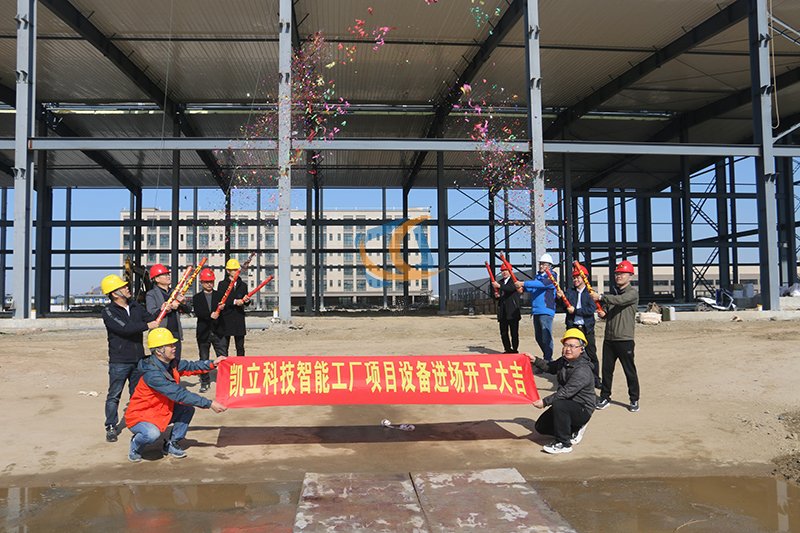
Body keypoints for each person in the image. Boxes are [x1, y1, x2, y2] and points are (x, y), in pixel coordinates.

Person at [126, 328, 227, 462]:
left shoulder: (171, 363)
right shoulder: (152, 374)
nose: (174, 347)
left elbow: (190, 366)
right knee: (152, 434)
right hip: (141, 416)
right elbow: (179, 394)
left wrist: (212, 364)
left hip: (162, 410)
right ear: (159, 351)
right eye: (170, 345)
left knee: (187, 409)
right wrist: (209, 403)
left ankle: (171, 443)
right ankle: (136, 445)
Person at [100, 274, 159, 443]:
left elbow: (152, 318)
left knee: (137, 394)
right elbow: (125, 328)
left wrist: (166, 308)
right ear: (114, 293)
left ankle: (138, 422)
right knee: (114, 395)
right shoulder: (108, 312)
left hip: (138, 358)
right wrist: (147, 326)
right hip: (119, 360)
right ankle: (111, 426)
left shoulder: (135, 306)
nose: (127, 288)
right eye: (123, 287)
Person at [531, 328, 596, 454]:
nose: (568, 349)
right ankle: (573, 429)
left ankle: (564, 443)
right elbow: (550, 367)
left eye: (572, 346)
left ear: (581, 349)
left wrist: (545, 402)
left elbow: (566, 392)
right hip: (566, 404)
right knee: (541, 427)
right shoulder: (564, 361)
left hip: (582, 408)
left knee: (559, 404)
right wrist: (535, 360)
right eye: (565, 345)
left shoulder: (582, 370)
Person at [591, 260, 640, 412]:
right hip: (609, 339)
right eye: (617, 273)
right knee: (606, 371)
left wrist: (600, 297)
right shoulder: (613, 295)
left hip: (624, 339)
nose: (619, 276)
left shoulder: (632, 293)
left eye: (623, 273)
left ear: (630, 276)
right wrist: (603, 313)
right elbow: (608, 311)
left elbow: (620, 301)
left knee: (629, 371)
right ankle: (605, 397)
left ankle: (634, 399)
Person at [564, 263, 602, 389]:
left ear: (584, 278)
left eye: (578, 277)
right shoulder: (570, 292)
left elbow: (590, 310)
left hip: (586, 328)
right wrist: (559, 298)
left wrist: (575, 311)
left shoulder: (590, 293)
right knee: (571, 353)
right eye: (574, 278)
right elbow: (563, 306)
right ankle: (569, 378)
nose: (575, 280)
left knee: (591, 354)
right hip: (573, 327)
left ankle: (596, 379)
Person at [516, 253, 557, 361]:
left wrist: (523, 283)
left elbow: (541, 285)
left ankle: (548, 359)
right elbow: (533, 288)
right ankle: (546, 357)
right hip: (536, 311)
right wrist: (523, 289)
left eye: (544, 264)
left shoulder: (552, 277)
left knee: (546, 336)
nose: (541, 266)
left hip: (546, 310)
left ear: (549, 266)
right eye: (540, 264)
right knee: (538, 337)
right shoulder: (537, 277)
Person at [192, 268, 227, 393]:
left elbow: (227, 311)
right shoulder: (197, 297)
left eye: (211, 281)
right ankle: (205, 381)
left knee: (222, 357)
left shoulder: (220, 296)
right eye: (206, 282)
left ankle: (225, 381)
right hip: (204, 332)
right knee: (204, 358)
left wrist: (223, 308)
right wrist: (210, 315)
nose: (209, 284)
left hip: (219, 331)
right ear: (201, 283)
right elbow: (198, 312)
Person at [145, 263, 185, 364]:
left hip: (175, 332)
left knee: (176, 362)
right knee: (161, 363)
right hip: (160, 333)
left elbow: (187, 309)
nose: (168, 276)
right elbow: (151, 312)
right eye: (165, 275)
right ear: (156, 279)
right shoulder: (151, 294)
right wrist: (168, 307)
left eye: (168, 274)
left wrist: (182, 302)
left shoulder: (174, 292)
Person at [217, 258, 251, 357]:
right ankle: (225, 364)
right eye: (233, 270)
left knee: (240, 346)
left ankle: (241, 363)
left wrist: (246, 300)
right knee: (224, 346)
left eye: (237, 270)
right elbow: (221, 299)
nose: (236, 272)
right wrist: (235, 302)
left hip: (239, 317)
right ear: (228, 271)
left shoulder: (243, 285)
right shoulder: (222, 284)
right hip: (226, 318)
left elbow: (246, 301)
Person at [492, 264, 522, 353]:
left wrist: (499, 286)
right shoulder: (500, 282)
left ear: (510, 271)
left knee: (514, 332)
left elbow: (510, 289)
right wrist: (496, 296)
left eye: (506, 270)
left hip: (512, 311)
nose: (504, 272)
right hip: (503, 311)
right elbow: (498, 295)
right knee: (503, 332)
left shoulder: (514, 280)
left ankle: (515, 349)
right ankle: (507, 349)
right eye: (502, 271)